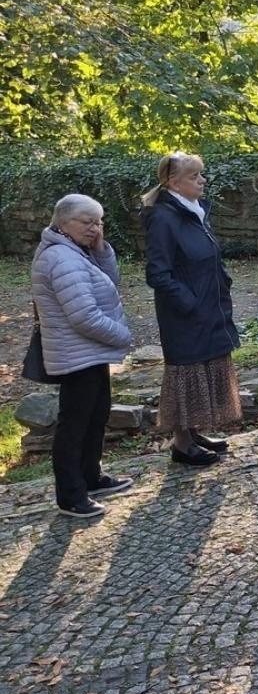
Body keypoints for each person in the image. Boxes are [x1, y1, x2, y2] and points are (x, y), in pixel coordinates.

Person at [32, 194, 135, 519]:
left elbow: (109, 284)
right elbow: (84, 315)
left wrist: (101, 249)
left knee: (95, 415)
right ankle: (71, 496)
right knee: (75, 424)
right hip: (76, 353)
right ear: (63, 223)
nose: (95, 228)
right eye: (87, 222)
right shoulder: (61, 258)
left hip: (89, 351)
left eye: (99, 221)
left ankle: (91, 477)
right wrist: (123, 335)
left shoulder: (77, 251)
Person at [140, 153, 241, 468]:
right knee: (188, 373)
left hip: (210, 307)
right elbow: (157, 274)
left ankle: (194, 433)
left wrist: (222, 282)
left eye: (202, 174)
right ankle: (182, 445)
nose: (203, 180)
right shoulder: (164, 218)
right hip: (185, 315)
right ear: (172, 182)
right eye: (195, 176)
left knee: (207, 368)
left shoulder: (194, 211)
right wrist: (190, 303)